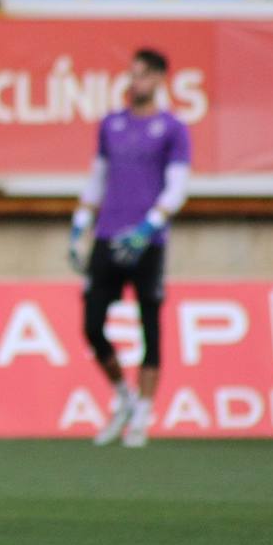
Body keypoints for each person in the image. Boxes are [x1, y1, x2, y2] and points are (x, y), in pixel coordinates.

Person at [69, 49, 191, 449]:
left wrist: (148, 226)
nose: (133, 81)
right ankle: (123, 395)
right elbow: (97, 179)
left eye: (141, 75)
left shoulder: (173, 129)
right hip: (108, 236)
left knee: (149, 326)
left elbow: (176, 189)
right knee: (91, 324)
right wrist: (79, 224)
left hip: (147, 241)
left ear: (158, 78)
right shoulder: (111, 125)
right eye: (131, 74)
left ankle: (142, 413)